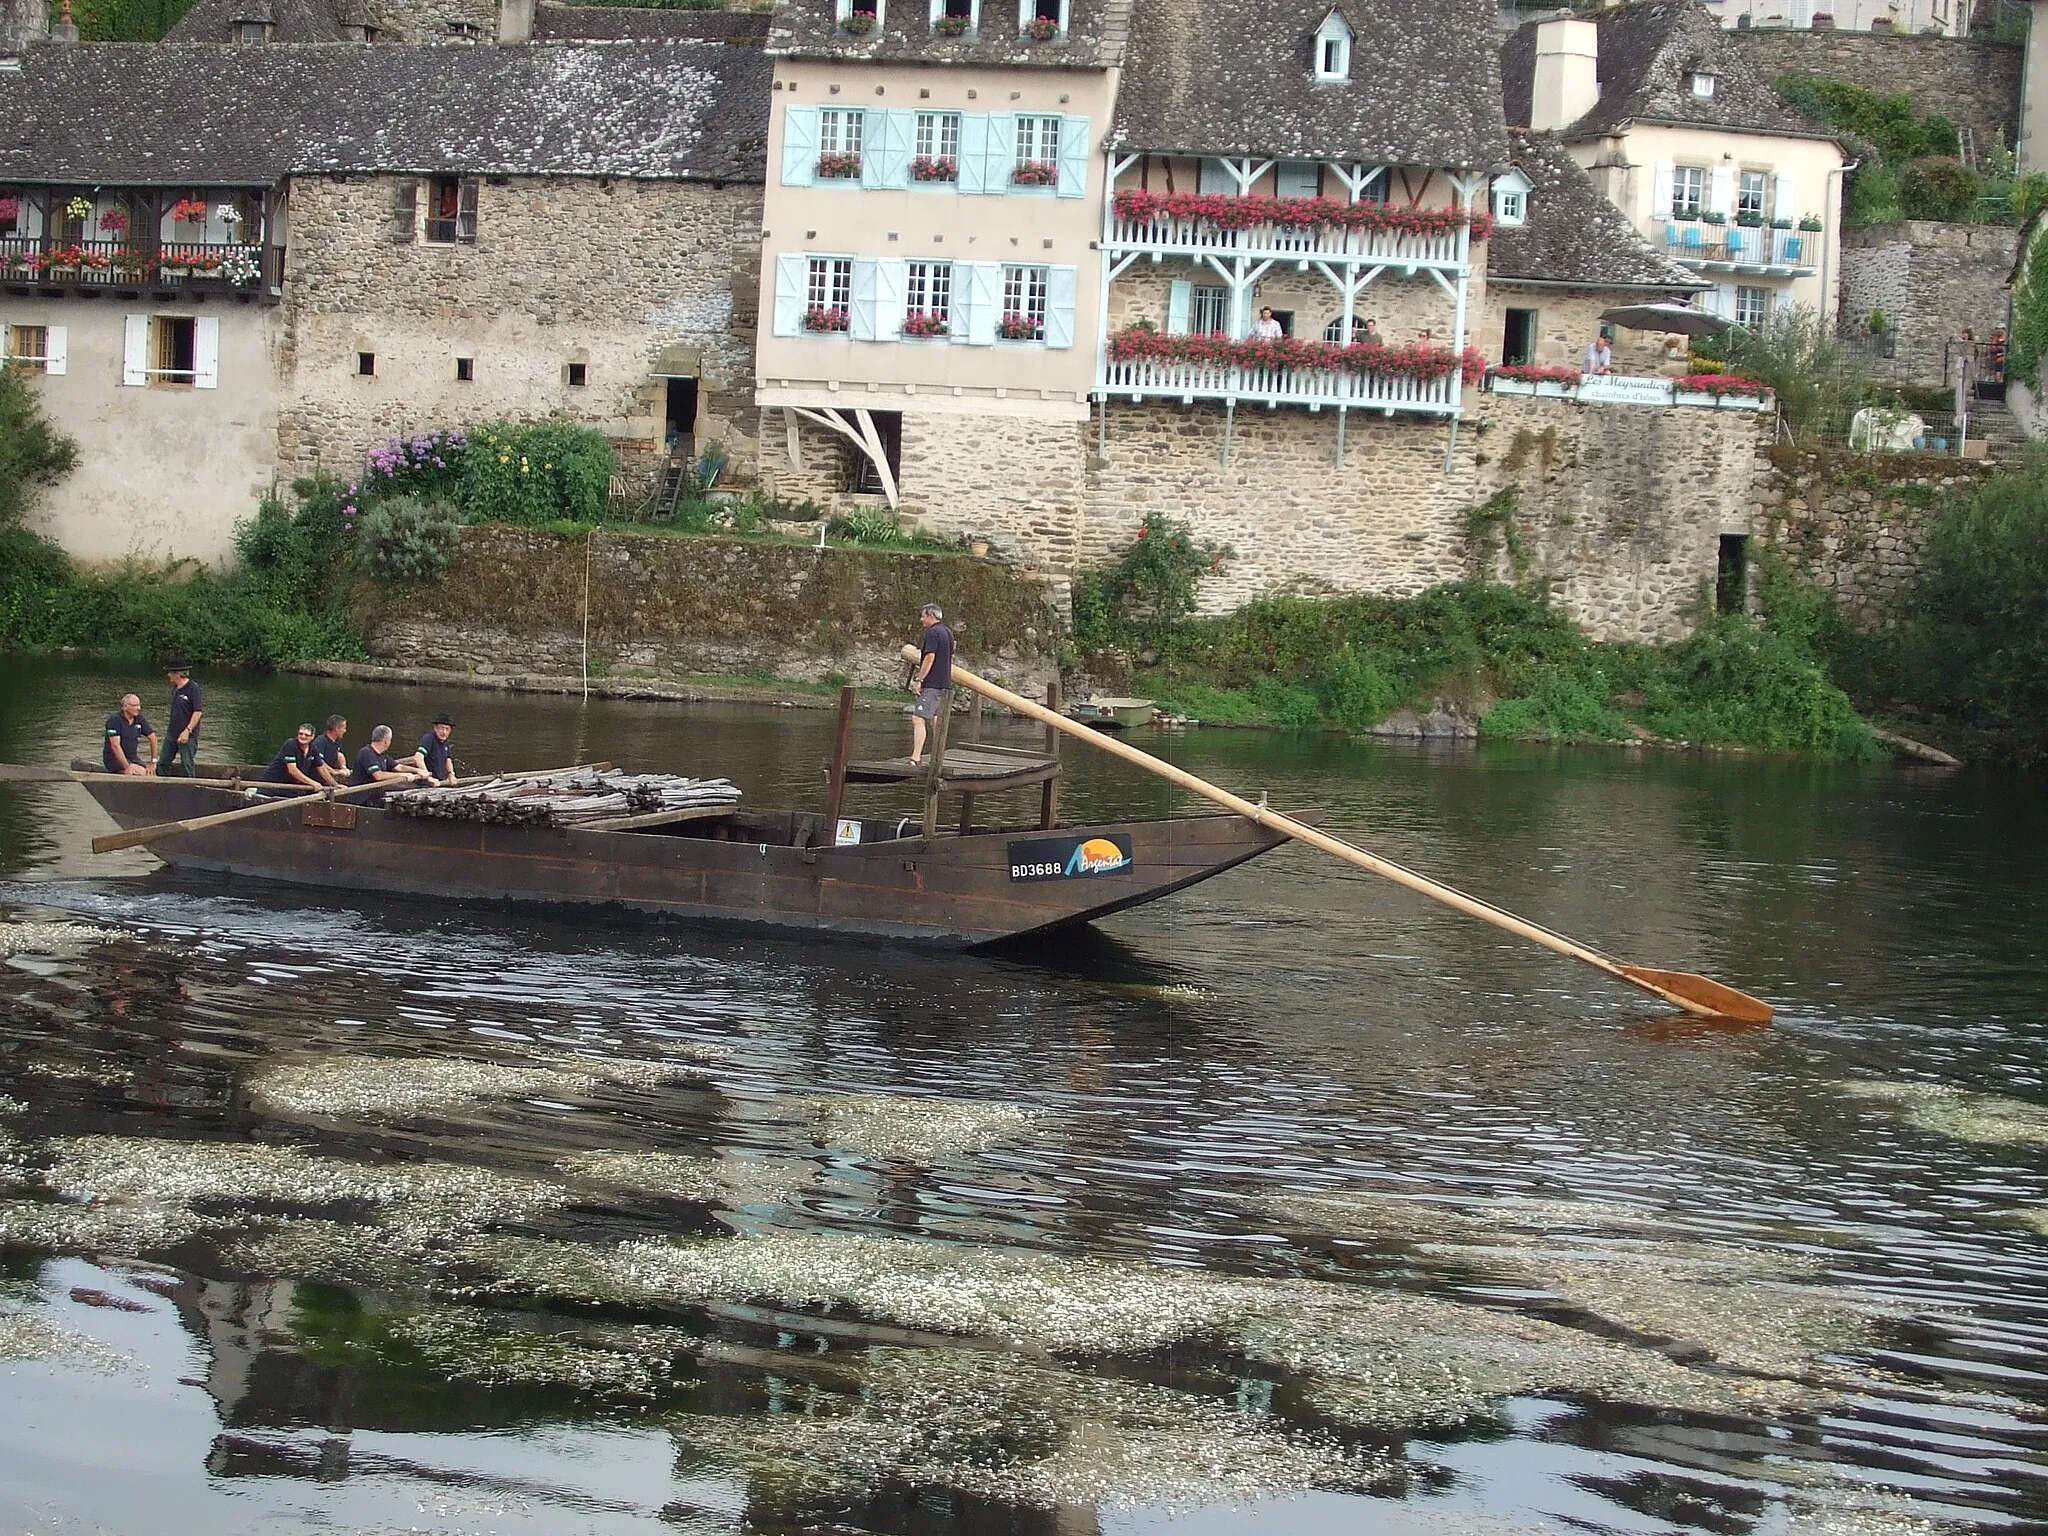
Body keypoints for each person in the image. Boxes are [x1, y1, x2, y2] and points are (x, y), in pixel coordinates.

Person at [907, 603, 954, 766]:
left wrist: (920, 680)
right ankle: (938, 755)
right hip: (945, 683)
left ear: (931, 616)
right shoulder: (947, 632)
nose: (921, 619)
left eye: (923, 616)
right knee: (935, 719)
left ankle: (916, 757)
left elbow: (929, 657)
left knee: (918, 718)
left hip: (932, 683)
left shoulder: (932, 633)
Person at [349, 725, 425, 804]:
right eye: (390, 740)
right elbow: (378, 775)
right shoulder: (366, 753)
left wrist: (418, 770)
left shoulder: (382, 755)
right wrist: (402, 775)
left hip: (374, 797)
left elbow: (399, 767)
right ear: (386, 740)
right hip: (361, 799)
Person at [158, 662, 203, 778]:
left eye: (170, 673)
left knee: (187, 764)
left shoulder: (193, 688)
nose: (168, 675)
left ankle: (190, 789)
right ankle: (163, 786)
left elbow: (197, 712)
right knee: (163, 762)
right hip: (172, 733)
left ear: (177, 674)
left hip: (188, 735)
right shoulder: (175, 689)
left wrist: (187, 731)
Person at [102, 694, 157, 777]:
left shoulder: (139, 719)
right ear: (125, 707)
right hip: (114, 759)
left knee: (152, 772)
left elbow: (153, 738)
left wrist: (153, 762)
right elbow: (115, 746)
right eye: (135, 705)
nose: (139, 708)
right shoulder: (114, 720)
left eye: (139, 705)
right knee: (143, 774)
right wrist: (127, 767)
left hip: (132, 758)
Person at [261, 723, 322, 791]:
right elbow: (292, 770)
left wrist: (334, 785)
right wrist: (313, 783)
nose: (303, 736)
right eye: (300, 734)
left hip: (291, 786)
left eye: (306, 735)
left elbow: (321, 767)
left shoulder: (312, 748)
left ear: (312, 737)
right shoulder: (290, 745)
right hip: (273, 785)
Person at [411, 713, 457, 786]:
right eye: (442, 728)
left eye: (447, 729)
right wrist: (428, 777)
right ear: (435, 728)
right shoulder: (428, 739)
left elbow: (448, 759)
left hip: (439, 782)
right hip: (424, 784)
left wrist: (451, 774)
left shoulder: (445, 743)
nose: (444, 732)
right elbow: (418, 757)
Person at [310, 714, 349, 786]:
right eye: (344, 728)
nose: (345, 731)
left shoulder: (337, 741)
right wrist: (333, 772)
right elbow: (319, 762)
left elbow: (339, 755)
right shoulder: (320, 741)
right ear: (337, 728)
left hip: (328, 776)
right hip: (317, 778)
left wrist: (343, 768)